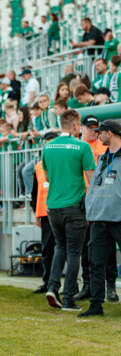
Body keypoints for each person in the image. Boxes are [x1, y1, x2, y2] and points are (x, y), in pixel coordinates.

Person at [43, 109, 95, 311]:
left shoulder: (48, 147)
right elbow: (92, 180)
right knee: (74, 252)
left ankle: (52, 286)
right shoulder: (82, 146)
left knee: (60, 248)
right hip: (74, 206)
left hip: (53, 206)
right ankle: (69, 299)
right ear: (75, 126)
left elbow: (47, 178)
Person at [79, 120, 121, 317]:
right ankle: (96, 305)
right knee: (96, 264)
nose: (97, 135)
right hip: (98, 219)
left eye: (100, 132)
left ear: (110, 133)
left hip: (118, 218)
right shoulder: (103, 158)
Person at [30, 132, 58, 293]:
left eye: (51, 142)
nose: (48, 145)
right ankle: (47, 282)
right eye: (46, 142)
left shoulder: (62, 161)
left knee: (65, 249)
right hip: (44, 211)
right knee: (47, 250)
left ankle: (66, 284)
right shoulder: (38, 165)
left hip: (59, 208)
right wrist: (36, 212)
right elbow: (34, 192)